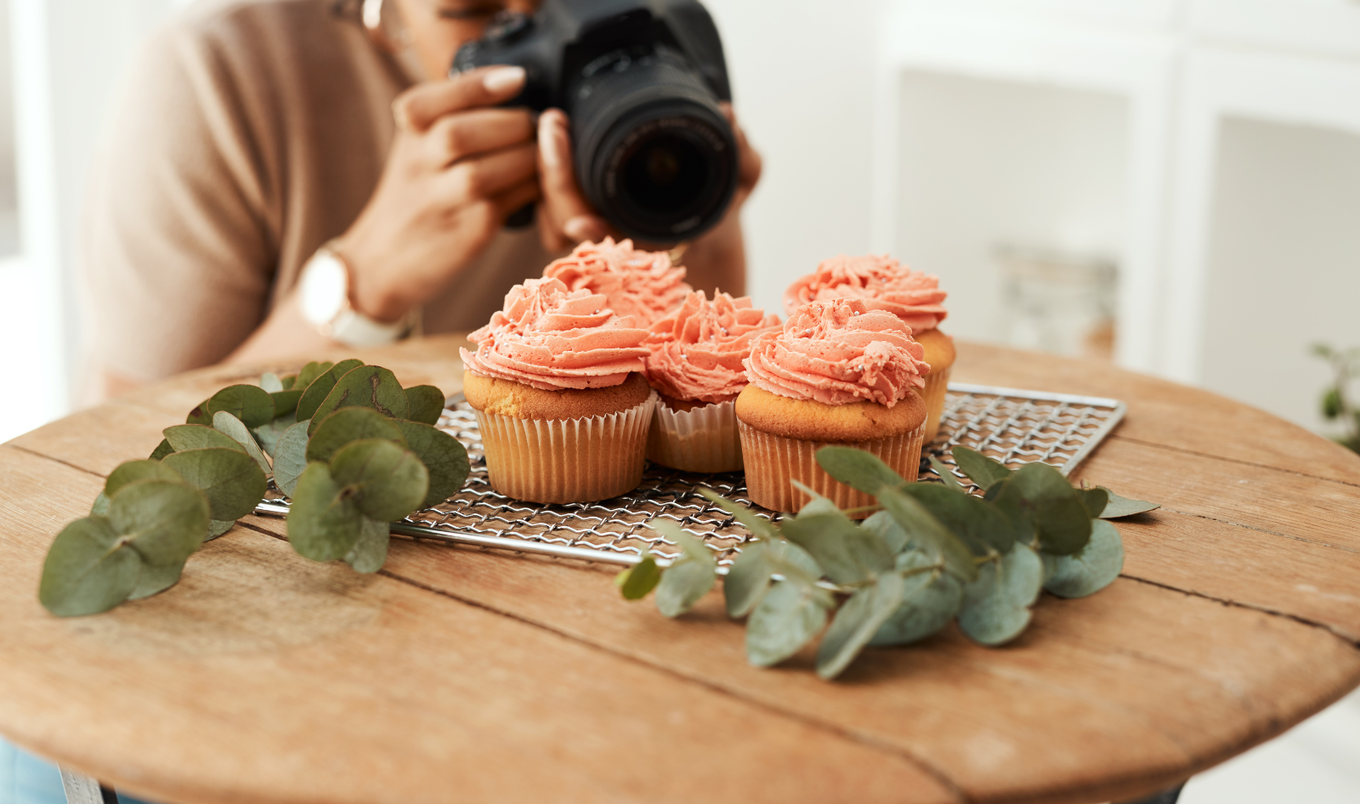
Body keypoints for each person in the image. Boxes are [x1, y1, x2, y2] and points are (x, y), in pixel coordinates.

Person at [81, 0, 761, 402]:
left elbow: (702, 404)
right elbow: (128, 440)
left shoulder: (654, 45)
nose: (552, 40)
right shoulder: (212, 74)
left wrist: (676, 233)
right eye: (480, 13)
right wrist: (366, 278)